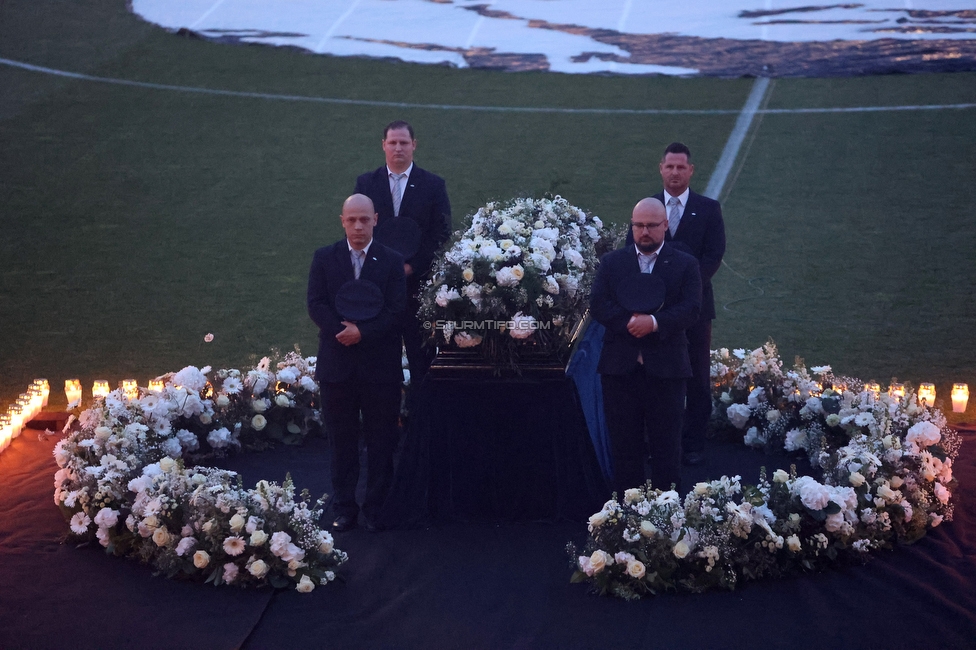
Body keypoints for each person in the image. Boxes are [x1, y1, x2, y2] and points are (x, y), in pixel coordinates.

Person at [307, 194, 407, 532]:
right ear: (342, 221)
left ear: (375, 219)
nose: (358, 226)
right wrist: (343, 332)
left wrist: (362, 333)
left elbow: (397, 311)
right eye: (352, 220)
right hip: (338, 369)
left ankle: (377, 508)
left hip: (381, 369)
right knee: (342, 442)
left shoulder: (392, 262)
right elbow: (316, 304)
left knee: (382, 441)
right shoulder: (325, 258)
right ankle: (345, 508)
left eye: (364, 219)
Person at [593, 198, 701, 496]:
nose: (644, 232)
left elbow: (692, 308)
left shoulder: (685, 264)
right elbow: (599, 304)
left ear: (665, 225)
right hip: (619, 370)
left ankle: (667, 515)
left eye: (652, 225)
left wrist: (653, 323)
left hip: (667, 371)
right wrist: (629, 322)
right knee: (624, 447)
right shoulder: (612, 263)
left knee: (667, 448)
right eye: (638, 225)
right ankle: (628, 516)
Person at [627, 142, 726, 465]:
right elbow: (633, 252)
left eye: (681, 167)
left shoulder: (709, 209)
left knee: (696, 374)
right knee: (652, 372)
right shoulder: (647, 207)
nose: (674, 173)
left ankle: (694, 442)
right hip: (652, 311)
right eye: (669, 167)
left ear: (691, 171)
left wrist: (685, 290)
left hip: (695, 310)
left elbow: (713, 256)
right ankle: (648, 439)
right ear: (661, 168)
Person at [354, 121, 452, 389]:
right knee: (382, 366)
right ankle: (386, 426)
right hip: (379, 291)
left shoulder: (432, 185)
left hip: (418, 290)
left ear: (414, 146)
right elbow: (357, 229)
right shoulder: (366, 183)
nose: (398, 148)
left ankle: (421, 426)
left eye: (404, 143)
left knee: (422, 362)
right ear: (384, 146)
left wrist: (412, 267)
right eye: (393, 143)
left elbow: (440, 233)